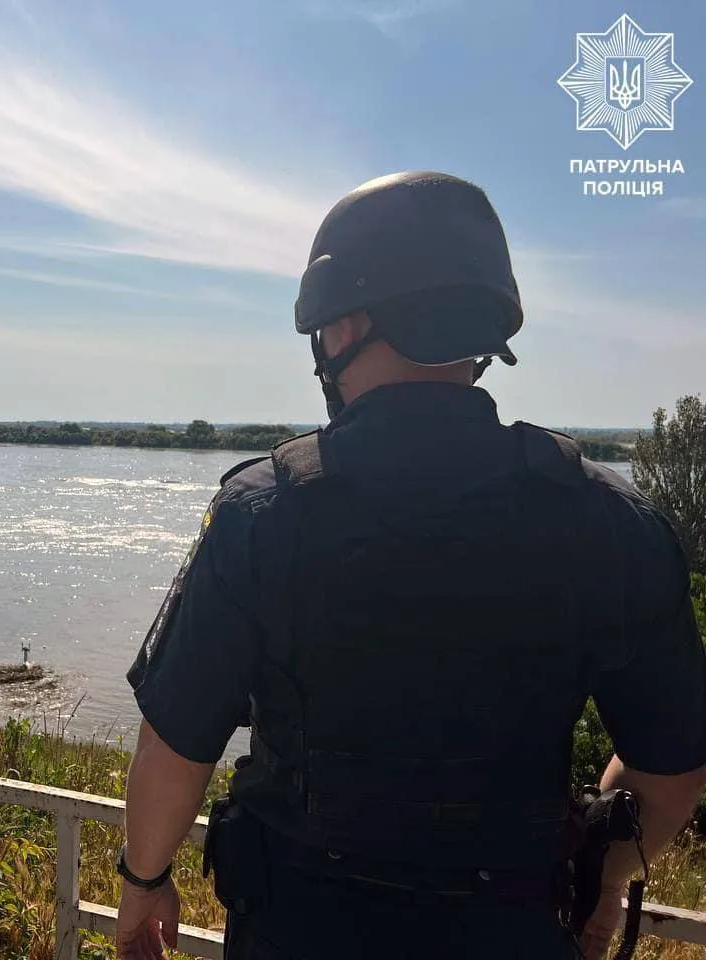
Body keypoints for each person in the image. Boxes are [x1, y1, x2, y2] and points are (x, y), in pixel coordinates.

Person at [115, 171, 706, 960]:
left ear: (346, 322)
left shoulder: (261, 513)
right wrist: (600, 875)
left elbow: (175, 748)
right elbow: (674, 769)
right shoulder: (611, 521)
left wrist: (142, 879)